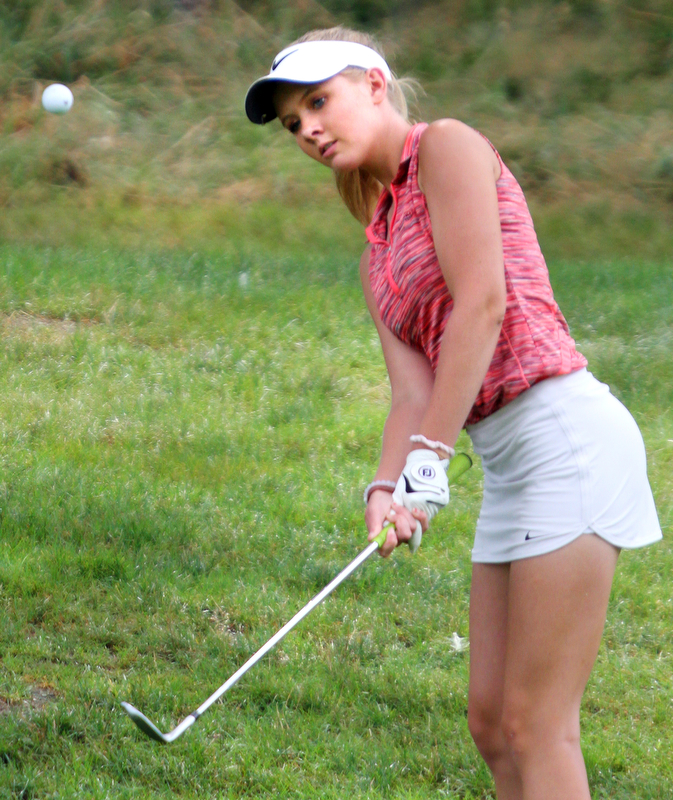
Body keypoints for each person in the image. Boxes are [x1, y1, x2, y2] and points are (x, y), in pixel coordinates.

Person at [244, 27, 661, 800]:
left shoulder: (448, 148)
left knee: (537, 724)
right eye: (291, 122)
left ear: (374, 83)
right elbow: (410, 391)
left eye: (316, 102)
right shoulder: (375, 251)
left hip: (564, 441)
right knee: (491, 720)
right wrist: (382, 487)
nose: (305, 128)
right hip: (509, 467)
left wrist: (431, 454)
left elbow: (483, 305)